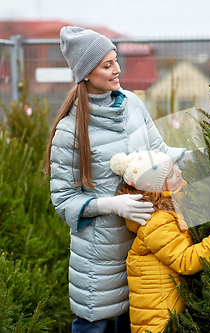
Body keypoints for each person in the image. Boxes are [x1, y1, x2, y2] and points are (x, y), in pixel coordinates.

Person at [44, 26, 191, 332]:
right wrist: (112, 205)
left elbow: (160, 153)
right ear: (86, 73)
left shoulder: (133, 105)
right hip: (100, 256)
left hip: (143, 245)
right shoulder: (70, 131)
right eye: (107, 65)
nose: (117, 70)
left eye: (116, 61)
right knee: (94, 326)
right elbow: (63, 200)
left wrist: (197, 156)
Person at [109, 149, 210, 332]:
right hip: (159, 322)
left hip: (171, 315)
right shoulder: (157, 221)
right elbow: (186, 261)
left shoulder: (169, 205)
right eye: (171, 173)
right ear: (158, 188)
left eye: (175, 167)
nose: (179, 172)